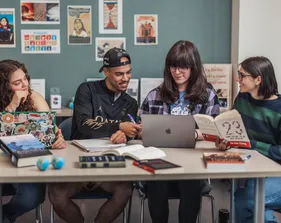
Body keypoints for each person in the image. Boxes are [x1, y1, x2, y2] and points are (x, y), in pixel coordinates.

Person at [48, 48, 142, 223]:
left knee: (125, 190)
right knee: (56, 194)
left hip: (110, 164)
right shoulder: (86, 90)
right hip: (78, 162)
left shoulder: (131, 103)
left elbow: (126, 134)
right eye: (119, 74)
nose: (126, 78)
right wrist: (119, 125)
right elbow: (84, 125)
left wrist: (125, 136)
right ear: (106, 72)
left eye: (128, 73)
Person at [138, 40, 220, 223]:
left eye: (183, 67)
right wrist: (140, 131)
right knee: (156, 183)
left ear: (194, 67)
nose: (177, 72)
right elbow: (140, 130)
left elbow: (214, 130)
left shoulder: (208, 95)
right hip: (160, 159)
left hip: (192, 161)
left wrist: (196, 134)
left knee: (189, 180)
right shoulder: (154, 96)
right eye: (173, 66)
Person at [216, 56, 281, 223]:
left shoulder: (278, 109)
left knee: (246, 200)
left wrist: (252, 145)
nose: (238, 80)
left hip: (277, 173)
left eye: (242, 75)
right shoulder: (243, 99)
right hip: (257, 170)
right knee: (257, 208)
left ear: (258, 79)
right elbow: (235, 130)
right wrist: (225, 140)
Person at [0, 59, 66, 223]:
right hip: (2, 162)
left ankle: (5, 215)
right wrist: (12, 106)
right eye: (17, 82)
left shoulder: (33, 96)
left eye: (25, 78)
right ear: (4, 86)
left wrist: (58, 137)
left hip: (27, 160)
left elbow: (50, 128)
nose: (25, 85)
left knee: (31, 198)